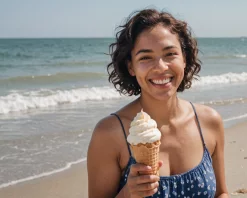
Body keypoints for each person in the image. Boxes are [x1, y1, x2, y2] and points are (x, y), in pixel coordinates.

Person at [87, 9, 229, 198]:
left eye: (170, 54)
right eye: (145, 57)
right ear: (131, 66)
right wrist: (128, 194)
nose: (161, 67)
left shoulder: (209, 122)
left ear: (184, 58)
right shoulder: (109, 133)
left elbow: (221, 193)